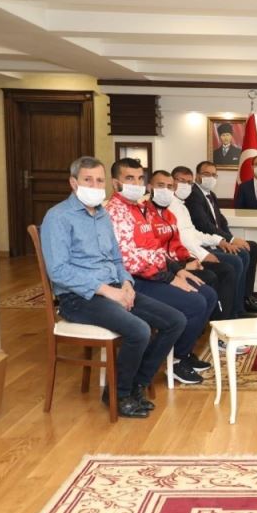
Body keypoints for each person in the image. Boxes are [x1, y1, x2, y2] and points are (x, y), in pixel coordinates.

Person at [41, 156, 186, 418]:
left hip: (115, 288)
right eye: (88, 180)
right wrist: (107, 291)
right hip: (79, 298)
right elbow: (58, 271)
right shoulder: (58, 217)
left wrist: (127, 283)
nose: (95, 186)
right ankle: (118, 395)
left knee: (175, 321)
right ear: (73, 183)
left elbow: (117, 259)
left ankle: (136, 384)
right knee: (139, 330)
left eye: (99, 181)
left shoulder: (102, 215)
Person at [106, 158, 218, 385]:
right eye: (129, 178)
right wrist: (169, 278)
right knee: (195, 303)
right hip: (133, 281)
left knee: (208, 294)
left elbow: (155, 249)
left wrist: (177, 270)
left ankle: (181, 355)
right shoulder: (115, 213)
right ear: (116, 183)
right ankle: (171, 361)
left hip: (153, 274)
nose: (136, 184)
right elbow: (131, 261)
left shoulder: (140, 209)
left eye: (139, 178)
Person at [147, 170, 238, 321]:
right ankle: (217, 321)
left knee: (224, 270)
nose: (166, 190)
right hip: (165, 267)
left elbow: (182, 239)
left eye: (169, 187)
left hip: (181, 258)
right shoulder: (148, 213)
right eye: (161, 186)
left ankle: (223, 319)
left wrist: (191, 258)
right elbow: (157, 249)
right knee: (218, 273)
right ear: (150, 187)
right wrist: (190, 261)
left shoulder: (171, 212)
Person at [170, 165, 254, 320]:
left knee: (242, 254)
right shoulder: (173, 204)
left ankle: (236, 308)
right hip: (187, 255)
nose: (186, 186)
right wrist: (204, 254)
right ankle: (226, 317)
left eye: (188, 182)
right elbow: (188, 235)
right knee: (232, 264)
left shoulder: (181, 204)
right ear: (172, 181)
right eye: (181, 181)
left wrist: (222, 240)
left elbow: (195, 232)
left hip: (198, 248)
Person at [185, 160, 257, 312]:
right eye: (206, 174)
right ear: (197, 176)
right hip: (206, 244)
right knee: (241, 255)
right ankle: (237, 308)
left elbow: (221, 221)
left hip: (217, 239)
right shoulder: (193, 195)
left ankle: (246, 297)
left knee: (253, 247)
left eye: (214, 175)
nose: (211, 178)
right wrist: (230, 240)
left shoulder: (211, 194)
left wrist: (231, 239)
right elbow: (204, 225)